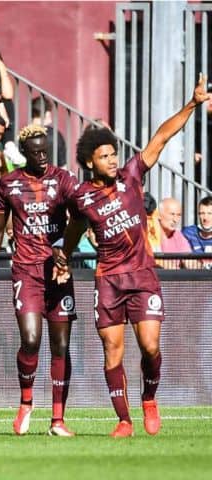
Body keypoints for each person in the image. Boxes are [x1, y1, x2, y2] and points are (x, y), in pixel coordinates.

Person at [53, 75, 211, 437]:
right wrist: (62, 255)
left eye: (113, 153)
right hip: (108, 280)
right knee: (113, 349)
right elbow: (74, 231)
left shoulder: (132, 176)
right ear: (90, 162)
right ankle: (124, 421)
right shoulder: (82, 198)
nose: (112, 159)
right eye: (104, 155)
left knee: (150, 346)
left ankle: (149, 398)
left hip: (141, 275)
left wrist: (191, 104)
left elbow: (161, 137)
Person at [0, 124, 79, 437]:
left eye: (44, 151)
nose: (41, 156)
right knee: (31, 339)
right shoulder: (9, 184)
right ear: (24, 153)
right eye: (35, 152)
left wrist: (66, 249)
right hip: (26, 269)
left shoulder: (62, 179)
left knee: (61, 344)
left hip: (58, 270)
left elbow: (79, 214)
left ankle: (58, 420)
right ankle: (26, 402)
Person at [157, 197, 194, 269]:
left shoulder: (178, 235)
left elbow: (189, 261)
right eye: (172, 214)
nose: (175, 220)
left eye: (178, 215)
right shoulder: (149, 232)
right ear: (159, 214)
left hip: (174, 278)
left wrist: (195, 265)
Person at [182, 196, 212, 265]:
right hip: (194, 274)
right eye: (202, 213)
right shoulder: (188, 233)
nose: (205, 218)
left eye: (210, 213)